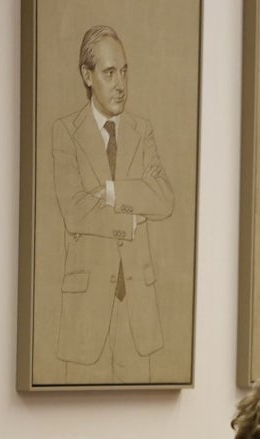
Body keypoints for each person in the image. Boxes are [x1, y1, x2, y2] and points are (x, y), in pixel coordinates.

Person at [52, 25, 174, 384]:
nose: (120, 83)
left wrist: (108, 191)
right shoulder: (66, 132)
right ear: (87, 76)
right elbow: (74, 211)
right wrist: (131, 221)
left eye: (124, 71)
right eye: (109, 73)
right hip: (85, 316)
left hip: (139, 317)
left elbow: (164, 199)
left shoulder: (142, 131)